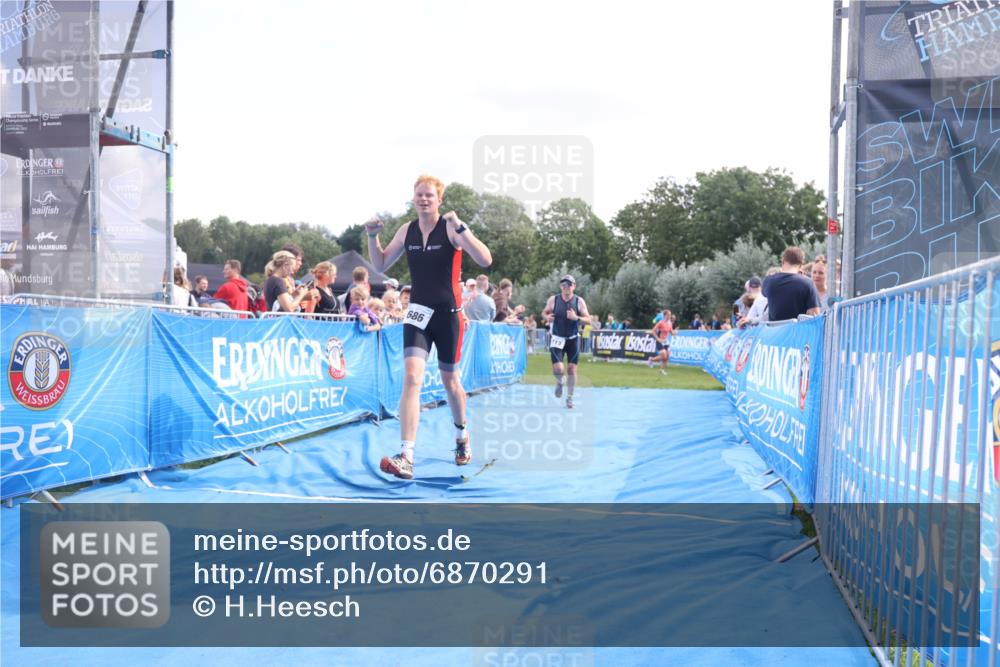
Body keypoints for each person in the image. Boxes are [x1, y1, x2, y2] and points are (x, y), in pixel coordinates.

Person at [366, 174, 492, 480]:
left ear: (439, 200)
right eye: (419, 194)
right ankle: (407, 456)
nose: (424, 199)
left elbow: (485, 259)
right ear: (413, 198)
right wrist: (372, 237)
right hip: (418, 314)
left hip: (448, 316)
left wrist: (461, 227)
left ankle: (461, 435)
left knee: (451, 382)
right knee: (412, 378)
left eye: (429, 195)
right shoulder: (406, 230)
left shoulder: (450, 227)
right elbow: (380, 264)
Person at [542, 274, 591, 409]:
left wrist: (576, 318)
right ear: (560, 287)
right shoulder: (554, 300)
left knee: (571, 369)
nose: (566, 287)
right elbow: (544, 312)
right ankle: (560, 381)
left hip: (573, 339)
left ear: (574, 286)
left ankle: (569, 398)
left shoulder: (579, 301)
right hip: (557, 338)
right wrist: (547, 317)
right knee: (558, 369)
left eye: (569, 285)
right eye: (563, 285)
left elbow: (588, 320)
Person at [762, 247, 821, 321]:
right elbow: (815, 316)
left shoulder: (768, 281)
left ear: (783, 261)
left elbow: (764, 295)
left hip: (775, 328)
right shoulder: (808, 283)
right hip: (798, 328)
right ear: (801, 265)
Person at [647, 308, 673, 375]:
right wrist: (657, 339)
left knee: (667, 356)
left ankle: (661, 370)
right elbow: (653, 331)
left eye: (670, 315)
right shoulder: (660, 322)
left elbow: (671, 331)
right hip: (659, 340)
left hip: (666, 341)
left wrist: (675, 332)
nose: (670, 316)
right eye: (669, 315)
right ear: (665, 315)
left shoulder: (670, 323)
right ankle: (651, 359)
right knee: (664, 355)